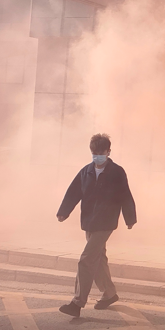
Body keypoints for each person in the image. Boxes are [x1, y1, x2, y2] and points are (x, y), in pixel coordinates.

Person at [56, 133, 137, 317]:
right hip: (89, 222)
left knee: (86, 259)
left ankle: (77, 303)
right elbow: (74, 192)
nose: (97, 156)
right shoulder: (86, 171)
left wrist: (130, 218)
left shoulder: (117, 172)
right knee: (98, 259)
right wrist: (64, 211)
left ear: (108, 152)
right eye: (94, 153)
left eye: (101, 153)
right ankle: (109, 293)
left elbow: (125, 195)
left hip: (106, 222)